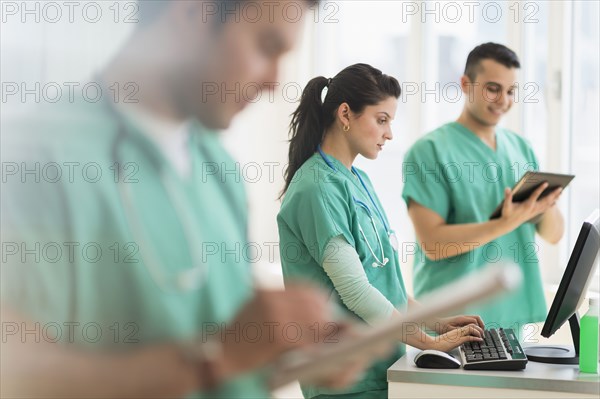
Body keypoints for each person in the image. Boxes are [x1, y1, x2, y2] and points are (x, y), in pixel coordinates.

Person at [0, 1, 373, 397]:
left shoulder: (218, 167)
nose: (275, 82)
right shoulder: (36, 161)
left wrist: (287, 347)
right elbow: (18, 377)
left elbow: (224, 344)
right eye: (266, 46)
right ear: (193, 14)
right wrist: (218, 357)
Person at [277, 63, 485, 399]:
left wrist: (437, 322)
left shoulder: (358, 180)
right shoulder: (316, 189)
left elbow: (384, 283)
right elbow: (356, 291)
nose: (389, 134)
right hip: (344, 379)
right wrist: (429, 343)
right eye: (382, 119)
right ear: (345, 114)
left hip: (379, 369)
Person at [401, 43, 564, 336]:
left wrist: (545, 205)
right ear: (466, 84)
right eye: (493, 88)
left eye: (511, 91)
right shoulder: (429, 152)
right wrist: (505, 223)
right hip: (453, 322)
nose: (503, 100)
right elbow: (433, 243)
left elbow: (553, 235)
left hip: (512, 320)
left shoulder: (521, 148)